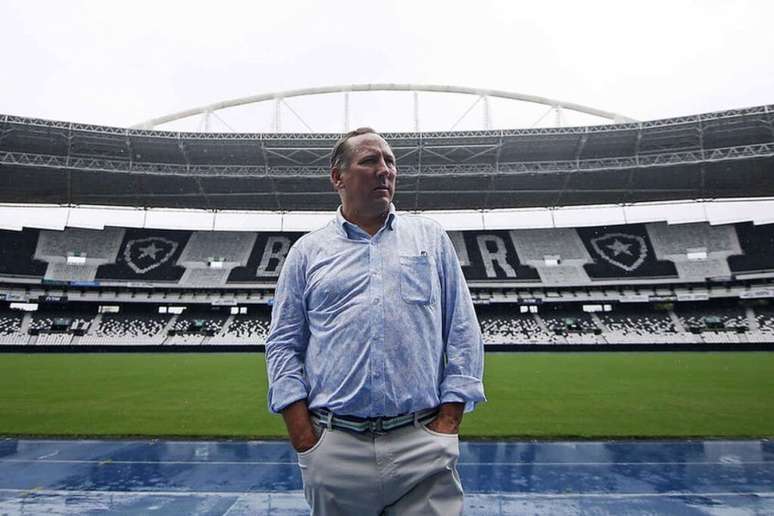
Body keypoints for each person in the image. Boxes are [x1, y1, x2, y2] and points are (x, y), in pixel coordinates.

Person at [265, 127, 485, 515]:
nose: (385, 170)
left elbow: (463, 331)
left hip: (423, 441)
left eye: (390, 161)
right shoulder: (307, 252)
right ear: (338, 177)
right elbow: (283, 344)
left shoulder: (430, 238)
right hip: (335, 447)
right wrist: (305, 438)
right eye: (370, 161)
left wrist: (449, 422)